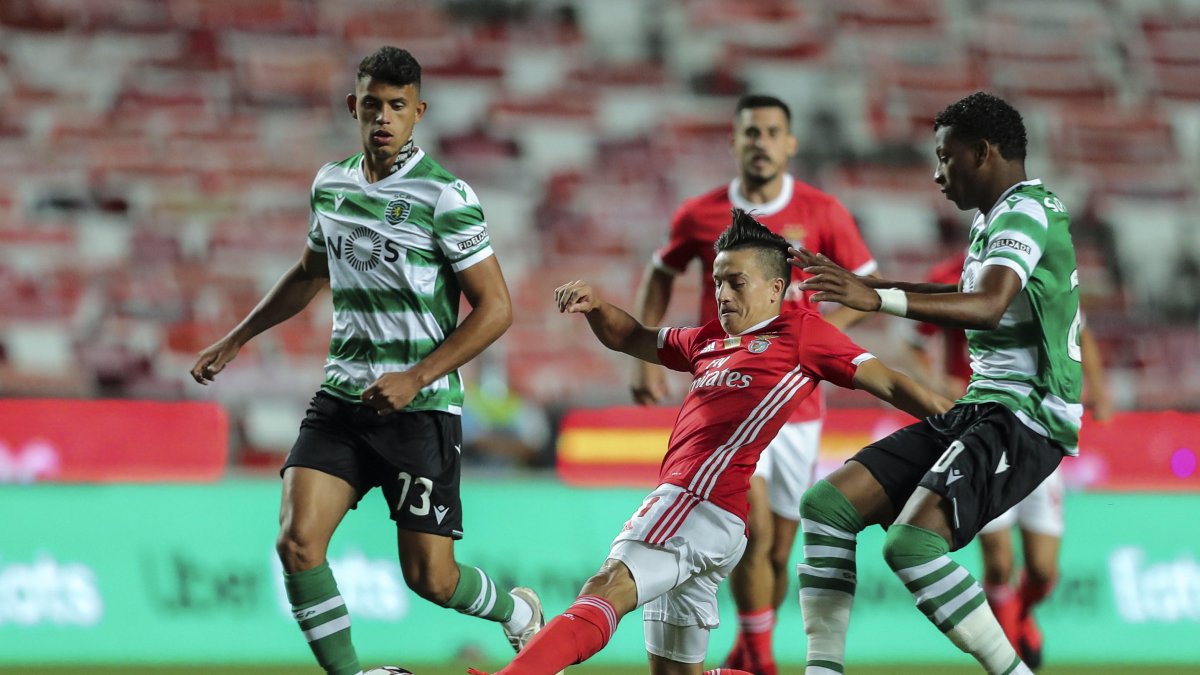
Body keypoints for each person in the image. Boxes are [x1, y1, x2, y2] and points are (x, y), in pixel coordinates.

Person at [469, 210, 952, 675]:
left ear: (776, 289)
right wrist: (596, 308)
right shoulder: (708, 340)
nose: (721, 293)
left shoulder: (801, 333)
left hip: (698, 500)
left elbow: (888, 382)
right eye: (717, 281)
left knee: (605, 586)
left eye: (736, 282)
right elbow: (635, 337)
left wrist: (964, 422)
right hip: (711, 517)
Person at [189, 47, 545, 675]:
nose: (384, 117)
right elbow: (308, 274)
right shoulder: (331, 184)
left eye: (398, 107)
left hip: (421, 408)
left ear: (418, 113)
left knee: (431, 580)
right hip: (342, 401)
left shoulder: (445, 195)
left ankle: (517, 613)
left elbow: (495, 310)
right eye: (373, 105)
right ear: (355, 106)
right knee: (297, 544)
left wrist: (416, 377)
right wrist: (238, 336)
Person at [790, 91, 1083, 675]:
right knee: (828, 505)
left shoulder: (1027, 210)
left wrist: (879, 297)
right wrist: (867, 291)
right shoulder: (994, 220)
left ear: (983, 152)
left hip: (1027, 416)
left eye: (946, 157)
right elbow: (964, 295)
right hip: (983, 406)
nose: (937, 172)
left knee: (911, 545)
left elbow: (989, 306)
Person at [631, 94, 878, 675]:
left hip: (800, 405)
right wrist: (643, 357)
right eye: (751, 132)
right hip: (730, 394)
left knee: (773, 547)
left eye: (772, 132)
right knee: (753, 518)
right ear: (735, 142)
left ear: (789, 143)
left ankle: (748, 645)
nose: (761, 142)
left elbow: (862, 289)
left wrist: (814, 344)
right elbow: (659, 272)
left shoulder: (824, 210)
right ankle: (762, 657)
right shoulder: (699, 213)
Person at [906, 255, 1114, 670]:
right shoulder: (947, 275)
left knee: (1041, 569)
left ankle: (1022, 614)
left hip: (1037, 429)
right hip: (978, 429)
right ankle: (1009, 656)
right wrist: (937, 382)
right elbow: (914, 343)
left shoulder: (1046, 270)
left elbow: (1080, 332)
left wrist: (1098, 386)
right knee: (999, 559)